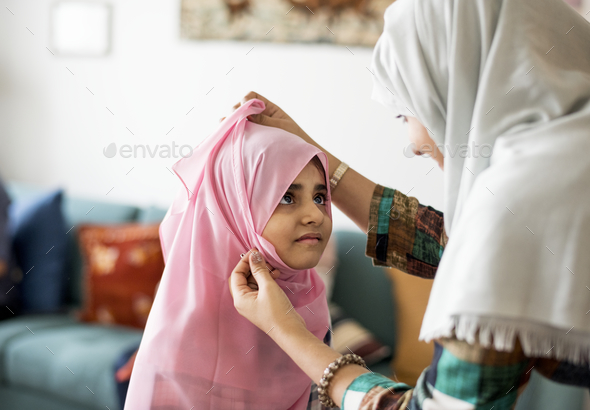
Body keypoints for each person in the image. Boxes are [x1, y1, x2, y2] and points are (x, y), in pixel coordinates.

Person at [229, 0, 590, 408]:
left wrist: (288, 332)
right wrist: (319, 160)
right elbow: (453, 246)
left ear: (459, 85)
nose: (413, 145)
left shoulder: (518, 205)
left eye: (405, 113)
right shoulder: (567, 171)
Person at [123, 98, 336, 409]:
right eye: (287, 197)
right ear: (235, 210)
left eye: (320, 197)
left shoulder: (309, 296)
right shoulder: (188, 336)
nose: (316, 215)